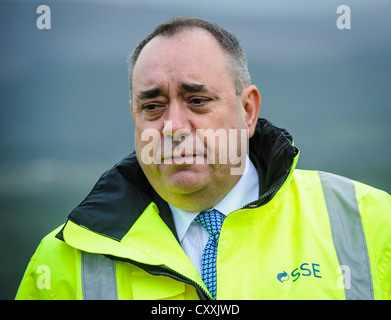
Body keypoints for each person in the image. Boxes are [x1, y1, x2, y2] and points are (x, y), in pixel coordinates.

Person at [16, 17, 391, 300]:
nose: (173, 127)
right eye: (152, 106)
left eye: (197, 100)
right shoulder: (63, 259)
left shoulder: (371, 223)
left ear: (247, 111)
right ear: (134, 116)